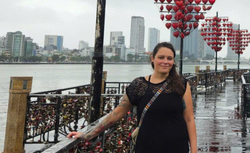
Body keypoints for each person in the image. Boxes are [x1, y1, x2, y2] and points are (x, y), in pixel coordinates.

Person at [67, 42, 197, 153]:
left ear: (173, 61)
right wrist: (88, 135)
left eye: (169, 58)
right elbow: (117, 113)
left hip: (176, 146)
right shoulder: (138, 85)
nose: (165, 62)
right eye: (161, 57)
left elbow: (189, 119)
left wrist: (194, 150)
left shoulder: (181, 85)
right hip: (147, 146)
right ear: (152, 58)